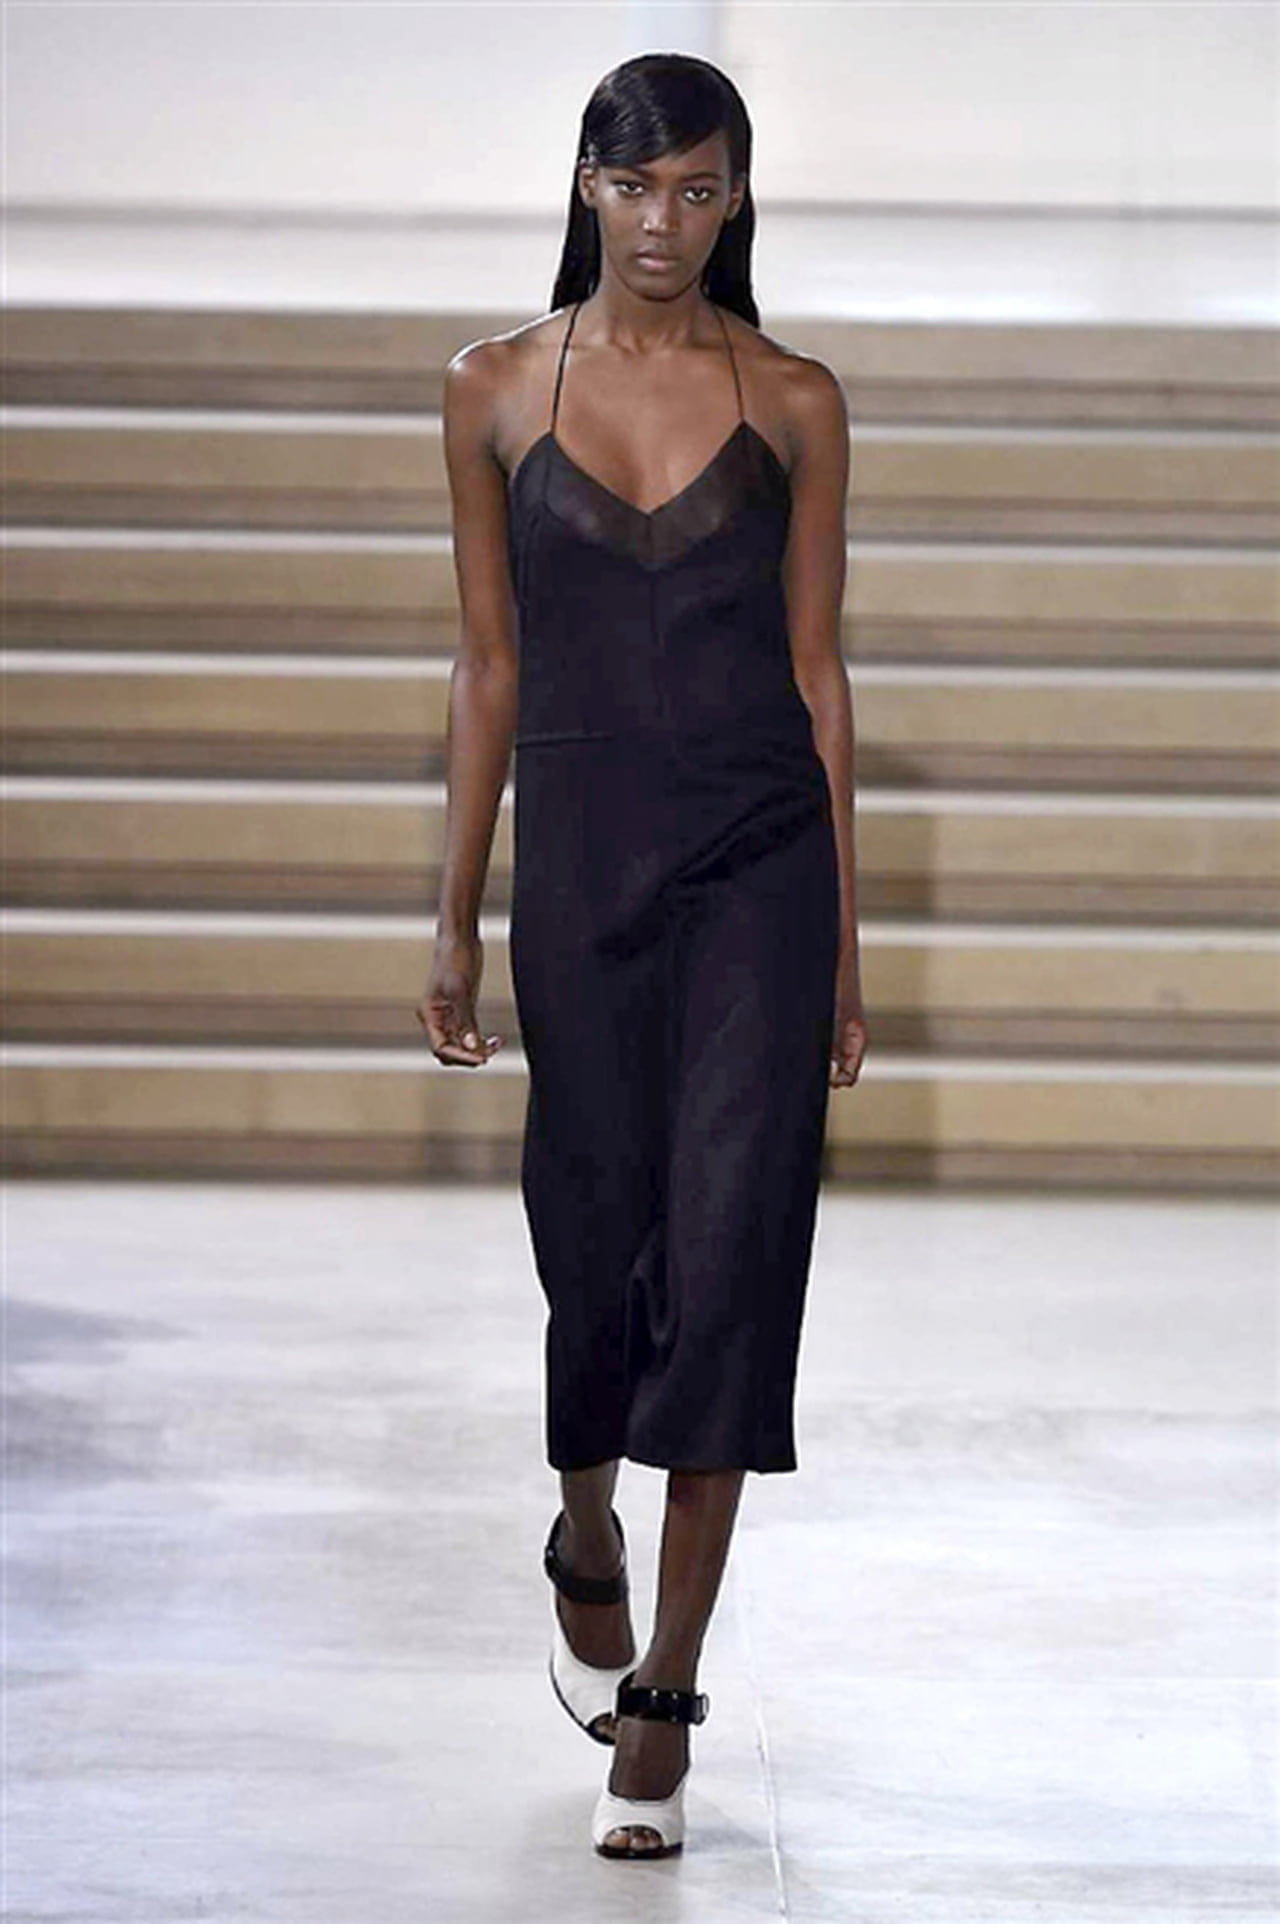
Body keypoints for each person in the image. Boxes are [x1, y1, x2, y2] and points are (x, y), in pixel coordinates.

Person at [415, 51, 867, 1859]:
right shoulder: (492, 388)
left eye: (696, 188)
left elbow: (820, 673)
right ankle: (585, 1524)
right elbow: (487, 664)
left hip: (761, 865)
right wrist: (453, 910)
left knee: (737, 1248)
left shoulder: (799, 400)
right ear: (584, 188)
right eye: (632, 185)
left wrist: (843, 946)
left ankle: (665, 1692)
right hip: (584, 868)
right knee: (591, 1236)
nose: (661, 220)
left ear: (737, 200)